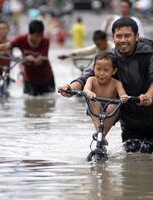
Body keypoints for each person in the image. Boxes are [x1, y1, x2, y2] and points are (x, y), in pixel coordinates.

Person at [59, 17, 153, 153]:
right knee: (132, 162)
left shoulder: (149, 52)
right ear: (113, 38)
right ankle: (100, 136)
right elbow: (88, 75)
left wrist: (150, 95)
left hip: (151, 114)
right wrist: (70, 88)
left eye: (127, 36)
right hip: (129, 121)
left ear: (137, 36)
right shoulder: (110, 57)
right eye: (119, 36)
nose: (123, 40)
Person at [0, 19, 55, 96]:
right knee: (29, 104)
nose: (39, 39)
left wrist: (34, 60)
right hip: (29, 79)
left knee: (49, 101)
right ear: (30, 33)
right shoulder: (21, 39)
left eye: (41, 36)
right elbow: (6, 46)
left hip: (46, 78)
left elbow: (41, 60)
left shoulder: (46, 41)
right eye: (36, 36)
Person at [82, 52, 128, 144]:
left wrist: (124, 97)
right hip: (94, 108)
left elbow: (123, 94)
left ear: (114, 71)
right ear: (93, 68)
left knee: (113, 105)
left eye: (106, 70)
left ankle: (102, 134)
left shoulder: (116, 83)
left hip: (111, 112)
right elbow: (86, 89)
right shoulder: (91, 79)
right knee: (94, 101)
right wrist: (89, 93)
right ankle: (100, 132)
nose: (101, 73)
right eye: (98, 69)